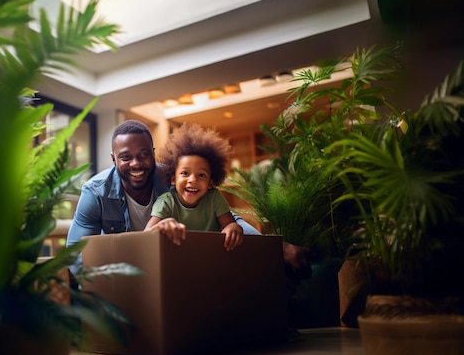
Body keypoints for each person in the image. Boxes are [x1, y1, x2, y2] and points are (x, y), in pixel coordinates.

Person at [66, 119, 311, 283]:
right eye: (125, 158)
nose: (136, 164)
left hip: (174, 271)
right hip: (125, 274)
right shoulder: (95, 193)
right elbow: (75, 256)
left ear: (153, 154)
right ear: (113, 159)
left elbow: (227, 219)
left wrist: (274, 249)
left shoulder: (174, 177)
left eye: (143, 155)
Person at [144, 123, 243, 251]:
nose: (193, 180)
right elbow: (145, 237)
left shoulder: (214, 198)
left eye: (201, 175)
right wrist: (160, 226)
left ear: (210, 182)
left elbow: (229, 224)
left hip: (210, 255)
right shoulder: (166, 202)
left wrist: (233, 228)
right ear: (173, 178)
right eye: (185, 173)